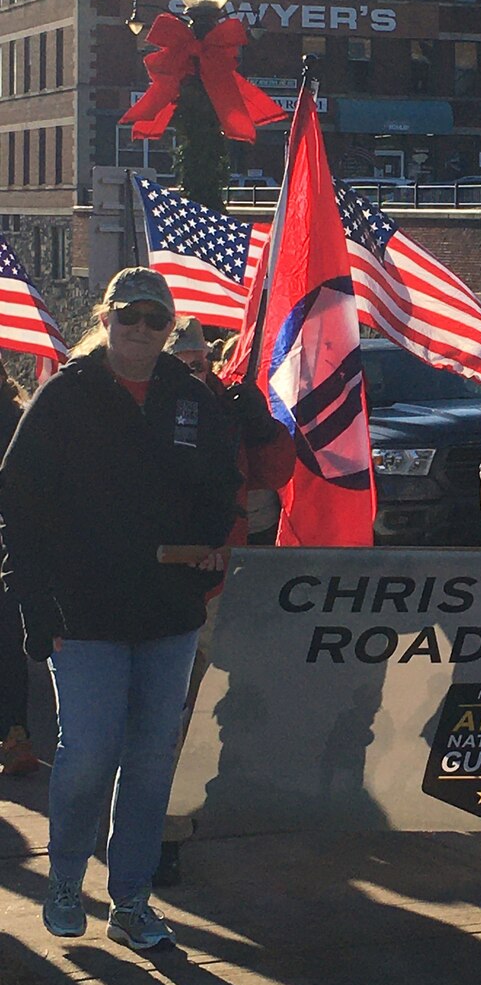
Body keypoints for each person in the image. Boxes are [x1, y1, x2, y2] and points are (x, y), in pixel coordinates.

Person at [0, 267, 241, 948]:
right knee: (87, 754)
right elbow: (17, 503)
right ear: (104, 321)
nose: (140, 330)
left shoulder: (192, 398)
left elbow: (223, 484)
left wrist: (203, 545)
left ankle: (131, 901)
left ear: (170, 329)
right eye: (127, 317)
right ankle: (67, 880)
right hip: (84, 616)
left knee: (150, 760)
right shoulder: (64, 396)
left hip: (168, 616)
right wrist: (35, 610)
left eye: (154, 320)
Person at [154, 316, 294, 886]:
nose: (192, 368)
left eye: (198, 359)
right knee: (158, 718)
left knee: (197, 718)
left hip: (222, 582)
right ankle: (148, 826)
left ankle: (167, 831)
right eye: (181, 358)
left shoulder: (222, 405)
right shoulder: (138, 404)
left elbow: (276, 473)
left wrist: (259, 427)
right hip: (155, 581)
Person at [0, 357, 38, 777]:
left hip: (8, 548)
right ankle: (15, 732)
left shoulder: (18, 420)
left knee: (8, 645)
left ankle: (15, 733)